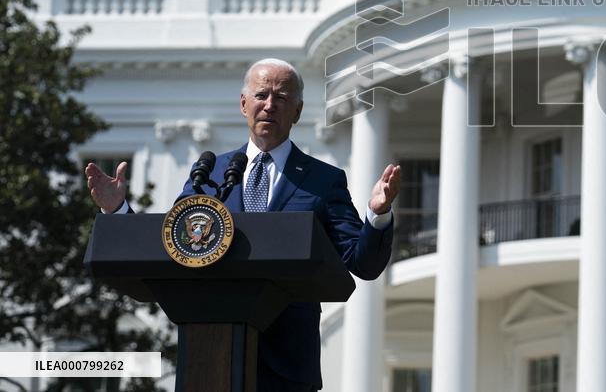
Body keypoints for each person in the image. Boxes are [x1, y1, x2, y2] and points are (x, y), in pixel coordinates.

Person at [85, 58, 401, 391]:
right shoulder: (209, 174)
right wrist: (118, 210)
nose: (270, 105)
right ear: (243, 104)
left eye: (281, 97)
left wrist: (377, 214)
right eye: (262, 94)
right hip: (208, 356)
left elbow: (363, 263)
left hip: (287, 365)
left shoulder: (324, 180)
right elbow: (172, 244)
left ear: (297, 111)